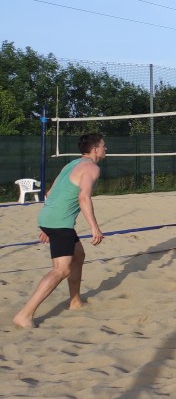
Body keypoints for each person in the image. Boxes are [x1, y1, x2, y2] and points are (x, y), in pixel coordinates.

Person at [13, 133, 107, 329]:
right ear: (95, 149)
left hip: (50, 218)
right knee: (61, 269)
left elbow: (49, 193)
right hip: (59, 222)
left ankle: (75, 302)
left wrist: (47, 225)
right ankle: (25, 314)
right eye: (103, 146)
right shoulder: (92, 168)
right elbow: (84, 198)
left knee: (78, 255)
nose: (106, 149)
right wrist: (94, 228)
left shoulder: (71, 165)